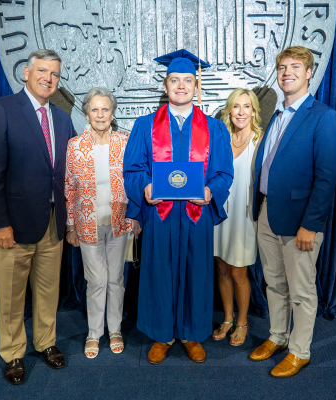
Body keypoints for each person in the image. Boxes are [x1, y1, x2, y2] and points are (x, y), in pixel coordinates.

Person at [123, 49, 234, 364]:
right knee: (159, 273)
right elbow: (132, 170)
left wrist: (211, 190)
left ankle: (190, 332)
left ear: (196, 87)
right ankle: (162, 334)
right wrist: (144, 187)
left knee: (195, 273)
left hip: (196, 217)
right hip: (161, 217)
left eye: (188, 80)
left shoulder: (214, 128)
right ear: (165, 84)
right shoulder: (145, 126)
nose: (181, 86)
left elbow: (225, 173)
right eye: (175, 80)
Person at [0, 49, 74, 385]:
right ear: (26, 73)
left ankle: (45, 343)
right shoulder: (2, 110)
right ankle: (13, 352)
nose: (48, 79)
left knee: (48, 291)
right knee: (12, 294)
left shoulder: (62, 118)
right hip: (12, 226)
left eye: (55, 74)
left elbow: (62, 173)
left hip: (51, 221)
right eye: (42, 71)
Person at [249, 46, 336, 377]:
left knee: (301, 291)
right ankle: (277, 336)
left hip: (300, 223)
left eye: (295, 66)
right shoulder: (276, 115)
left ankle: (299, 350)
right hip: (266, 214)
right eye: (282, 67)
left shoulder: (324, 117)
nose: (287, 71)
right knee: (274, 283)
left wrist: (311, 224)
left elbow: (327, 178)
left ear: (308, 73)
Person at [64, 87, 141, 358]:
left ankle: (115, 329)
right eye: (94, 109)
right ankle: (94, 333)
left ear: (112, 112)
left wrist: (135, 215)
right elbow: (69, 189)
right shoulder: (75, 146)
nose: (100, 115)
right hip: (87, 224)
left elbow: (134, 182)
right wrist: (71, 226)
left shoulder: (125, 142)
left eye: (105, 109)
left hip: (119, 222)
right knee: (96, 280)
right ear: (86, 112)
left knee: (116, 279)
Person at [212, 88, 262, 346]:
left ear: (254, 111)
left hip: (244, 218)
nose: (241, 112)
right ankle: (228, 319)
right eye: (236, 106)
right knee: (220, 268)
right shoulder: (221, 139)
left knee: (238, 272)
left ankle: (242, 322)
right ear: (229, 111)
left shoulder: (260, 141)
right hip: (219, 215)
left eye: (246, 106)